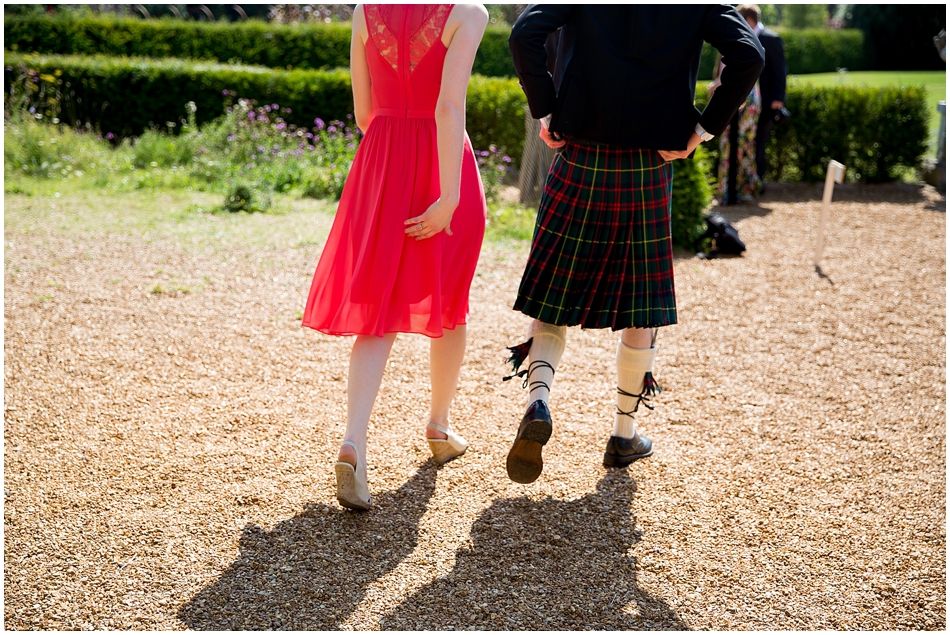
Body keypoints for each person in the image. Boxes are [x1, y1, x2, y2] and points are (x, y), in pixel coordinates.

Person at [505, 5, 764, 484]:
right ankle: (624, 435)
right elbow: (749, 54)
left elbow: (525, 33)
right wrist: (702, 130)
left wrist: (546, 110)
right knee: (641, 306)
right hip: (648, 163)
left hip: (579, 152)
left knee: (554, 295)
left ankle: (539, 399)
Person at [301, 4, 489, 510]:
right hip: (442, 164)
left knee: (376, 308)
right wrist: (447, 195)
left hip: (380, 164)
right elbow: (449, 107)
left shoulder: (365, 9)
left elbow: (364, 113)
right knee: (450, 296)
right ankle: (439, 424)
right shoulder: (467, 11)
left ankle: (354, 443)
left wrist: (394, 157)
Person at [737, 4, 787, 187]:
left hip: (766, 102)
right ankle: (746, 182)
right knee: (747, 142)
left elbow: (779, 71)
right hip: (746, 103)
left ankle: (757, 182)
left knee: (758, 142)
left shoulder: (771, 39)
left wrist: (778, 99)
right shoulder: (743, 38)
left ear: (748, 20)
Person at [709, 53, 763, 204]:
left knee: (728, 148)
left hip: (736, 104)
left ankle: (727, 192)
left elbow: (724, 78)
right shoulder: (750, 47)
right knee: (746, 148)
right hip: (750, 104)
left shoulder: (729, 49)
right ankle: (745, 190)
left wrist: (712, 87)